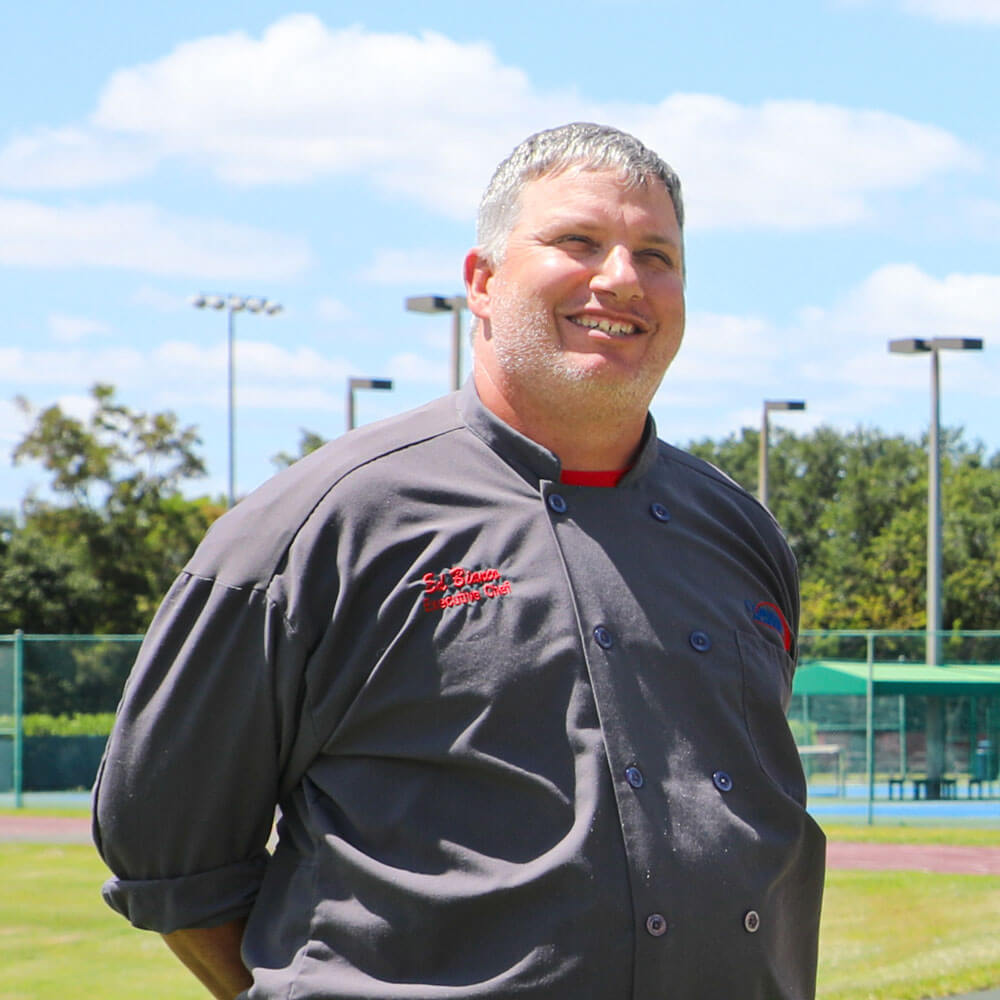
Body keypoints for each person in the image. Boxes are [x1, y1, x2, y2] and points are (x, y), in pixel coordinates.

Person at [93, 122, 825, 1000]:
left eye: (656, 253)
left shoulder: (739, 532)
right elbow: (166, 855)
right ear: (481, 281)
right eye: (578, 241)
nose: (622, 279)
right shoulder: (319, 525)